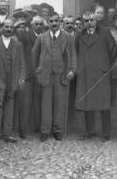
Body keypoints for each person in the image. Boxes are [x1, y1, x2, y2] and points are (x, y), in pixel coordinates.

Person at [32, 12, 76, 141]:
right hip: (46, 75)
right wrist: (37, 70)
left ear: (60, 22)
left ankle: (58, 130)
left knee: (59, 102)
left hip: (62, 74)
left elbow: (73, 54)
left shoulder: (68, 37)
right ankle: (45, 130)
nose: (54, 23)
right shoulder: (42, 37)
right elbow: (34, 54)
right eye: (51, 21)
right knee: (45, 102)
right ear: (48, 22)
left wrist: (72, 70)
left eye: (56, 21)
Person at [75, 11, 117, 141]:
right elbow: (77, 52)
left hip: (101, 74)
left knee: (103, 104)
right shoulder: (80, 35)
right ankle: (90, 131)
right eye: (86, 21)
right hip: (85, 75)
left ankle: (106, 133)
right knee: (88, 104)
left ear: (96, 20)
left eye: (92, 20)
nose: (89, 23)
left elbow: (114, 51)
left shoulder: (105, 33)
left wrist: (104, 65)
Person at [0, 19, 26, 144]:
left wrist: (21, 77)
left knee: (10, 107)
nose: (9, 29)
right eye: (6, 27)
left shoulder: (17, 44)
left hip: (12, 79)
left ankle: (7, 134)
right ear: (2, 27)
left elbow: (22, 63)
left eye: (11, 27)